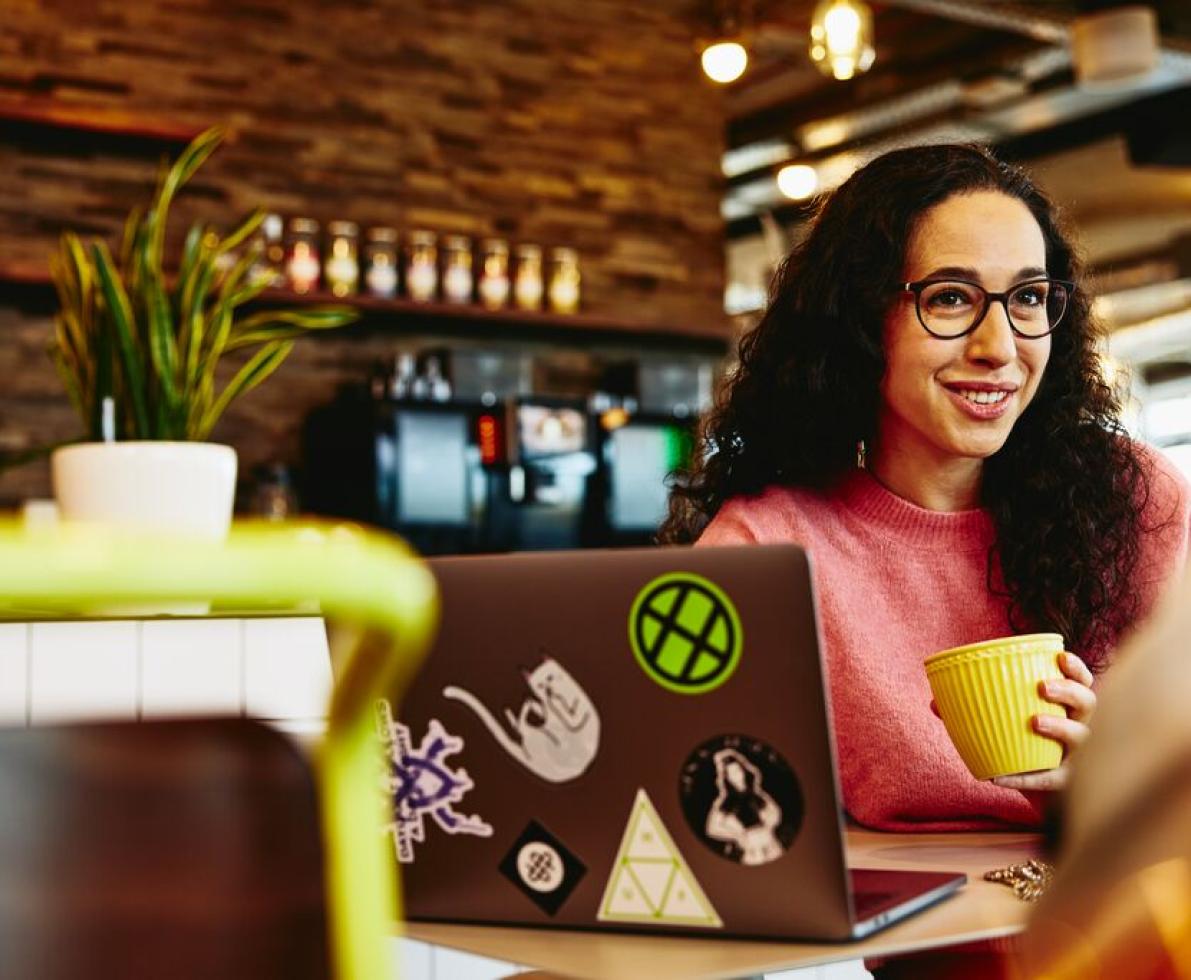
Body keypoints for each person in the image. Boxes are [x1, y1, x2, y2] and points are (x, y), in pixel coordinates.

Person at [660, 143, 1190, 833]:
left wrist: (1112, 792)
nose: (998, 346)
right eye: (949, 298)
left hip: (1099, 923)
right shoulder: (765, 549)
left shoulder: (1136, 504)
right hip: (884, 936)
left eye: (1027, 298)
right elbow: (692, 798)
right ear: (858, 322)